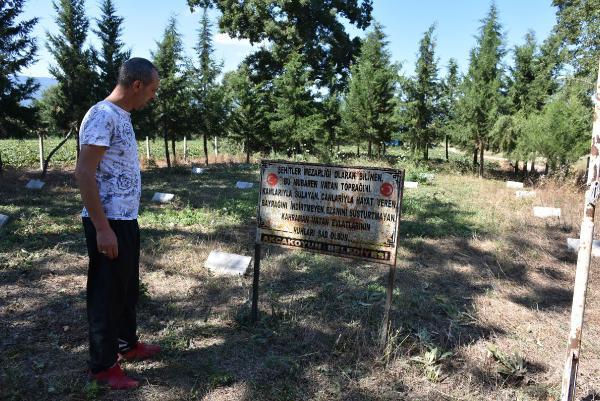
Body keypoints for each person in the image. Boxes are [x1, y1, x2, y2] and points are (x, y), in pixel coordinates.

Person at [75, 57, 160, 390]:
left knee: (125, 288)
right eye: (151, 90)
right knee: (106, 294)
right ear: (136, 85)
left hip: (125, 219)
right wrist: (102, 228)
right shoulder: (101, 116)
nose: (152, 96)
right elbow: (84, 172)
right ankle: (103, 367)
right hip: (108, 222)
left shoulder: (121, 116)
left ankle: (126, 344)